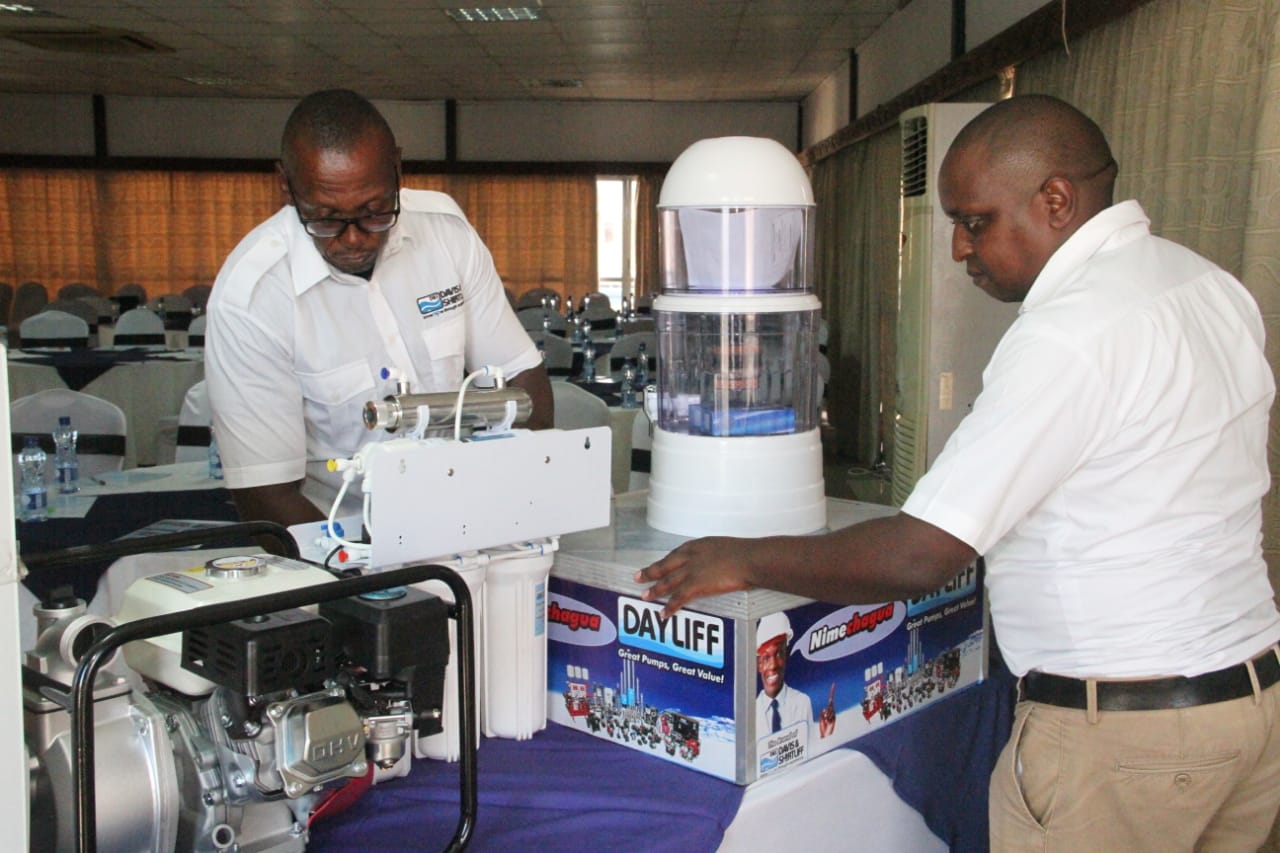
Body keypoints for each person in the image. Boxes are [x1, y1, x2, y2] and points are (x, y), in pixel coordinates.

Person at [637, 94, 1280, 852]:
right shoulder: (1208, 285)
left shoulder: (1072, 331)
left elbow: (923, 554)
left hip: (1123, 742)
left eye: (976, 222)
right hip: (1251, 706)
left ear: (1056, 200)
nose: (958, 249)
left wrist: (741, 558)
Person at [205, 89, 553, 530]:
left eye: (374, 212)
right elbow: (265, 496)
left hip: (470, 517)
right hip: (339, 541)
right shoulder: (251, 298)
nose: (354, 238)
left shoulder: (445, 232)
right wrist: (371, 563)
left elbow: (524, 386)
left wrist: (505, 507)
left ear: (397, 170)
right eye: (326, 218)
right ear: (286, 186)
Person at [755, 612, 818, 740]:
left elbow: (812, 746)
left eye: (779, 654)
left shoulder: (802, 703)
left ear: (786, 656)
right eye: (766, 658)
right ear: (759, 665)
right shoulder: (750, 711)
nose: (773, 665)